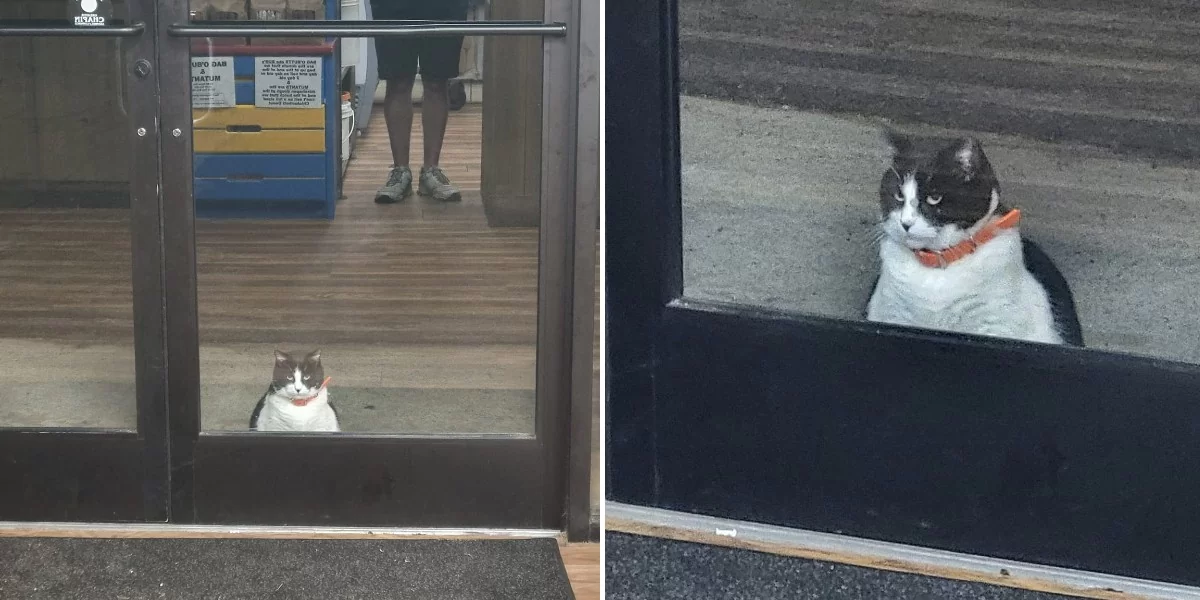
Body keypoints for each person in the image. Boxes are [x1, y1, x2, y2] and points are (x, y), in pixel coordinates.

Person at [371, 0, 467, 203]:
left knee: (437, 81)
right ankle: (400, 172)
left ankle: (431, 171)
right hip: (393, 7)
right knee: (397, 81)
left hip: (444, 7)